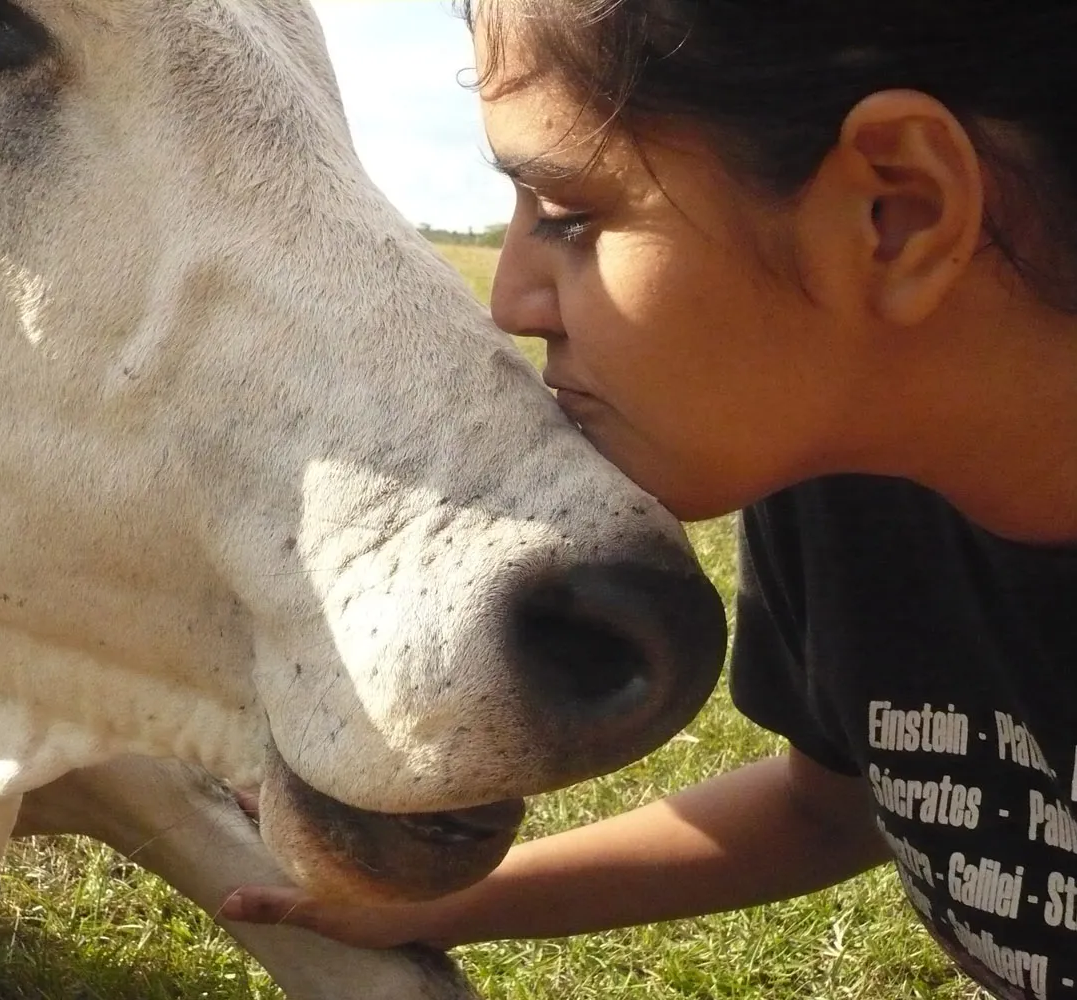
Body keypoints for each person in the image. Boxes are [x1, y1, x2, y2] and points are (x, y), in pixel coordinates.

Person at [221, 2, 1077, 996]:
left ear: (899, 211)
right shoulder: (850, 486)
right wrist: (439, 904)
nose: (511, 300)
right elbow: (830, 810)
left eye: (569, 216)